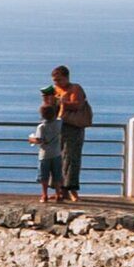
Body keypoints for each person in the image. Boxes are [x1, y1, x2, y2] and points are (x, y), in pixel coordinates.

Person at [49, 65, 94, 200]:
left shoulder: (75, 88)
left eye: (59, 80)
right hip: (58, 127)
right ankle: (60, 190)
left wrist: (62, 102)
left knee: (72, 158)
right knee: (57, 158)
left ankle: (72, 189)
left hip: (73, 127)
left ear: (67, 78)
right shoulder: (55, 90)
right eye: (55, 80)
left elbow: (78, 105)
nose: (57, 83)